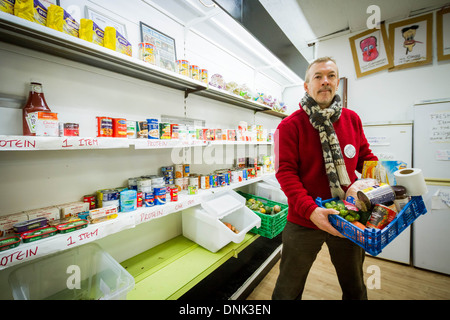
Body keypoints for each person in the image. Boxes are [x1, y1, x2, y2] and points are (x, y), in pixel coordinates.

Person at [271, 57, 378, 300]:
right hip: (304, 219)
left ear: (337, 82)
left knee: (355, 286)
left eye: (330, 76)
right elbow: (285, 173)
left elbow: (365, 157)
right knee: (287, 289)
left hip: (348, 216)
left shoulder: (352, 119)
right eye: (318, 76)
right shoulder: (289, 126)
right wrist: (311, 211)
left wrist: (385, 179)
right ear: (307, 85)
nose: (325, 82)